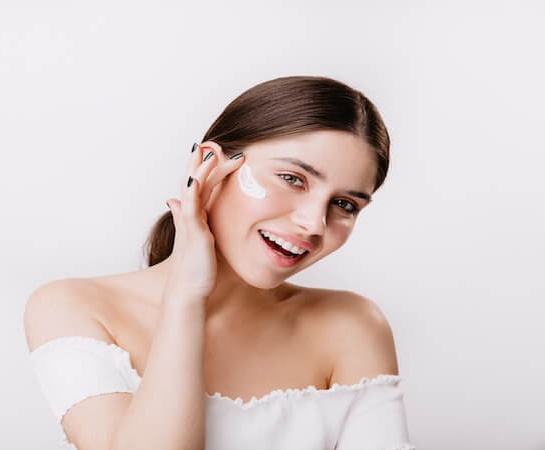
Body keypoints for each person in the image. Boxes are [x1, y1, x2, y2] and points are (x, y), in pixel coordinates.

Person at [24, 75, 415, 450]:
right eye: (292, 178)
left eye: (345, 204)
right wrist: (186, 296)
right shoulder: (74, 308)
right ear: (210, 166)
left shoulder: (351, 326)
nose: (314, 223)